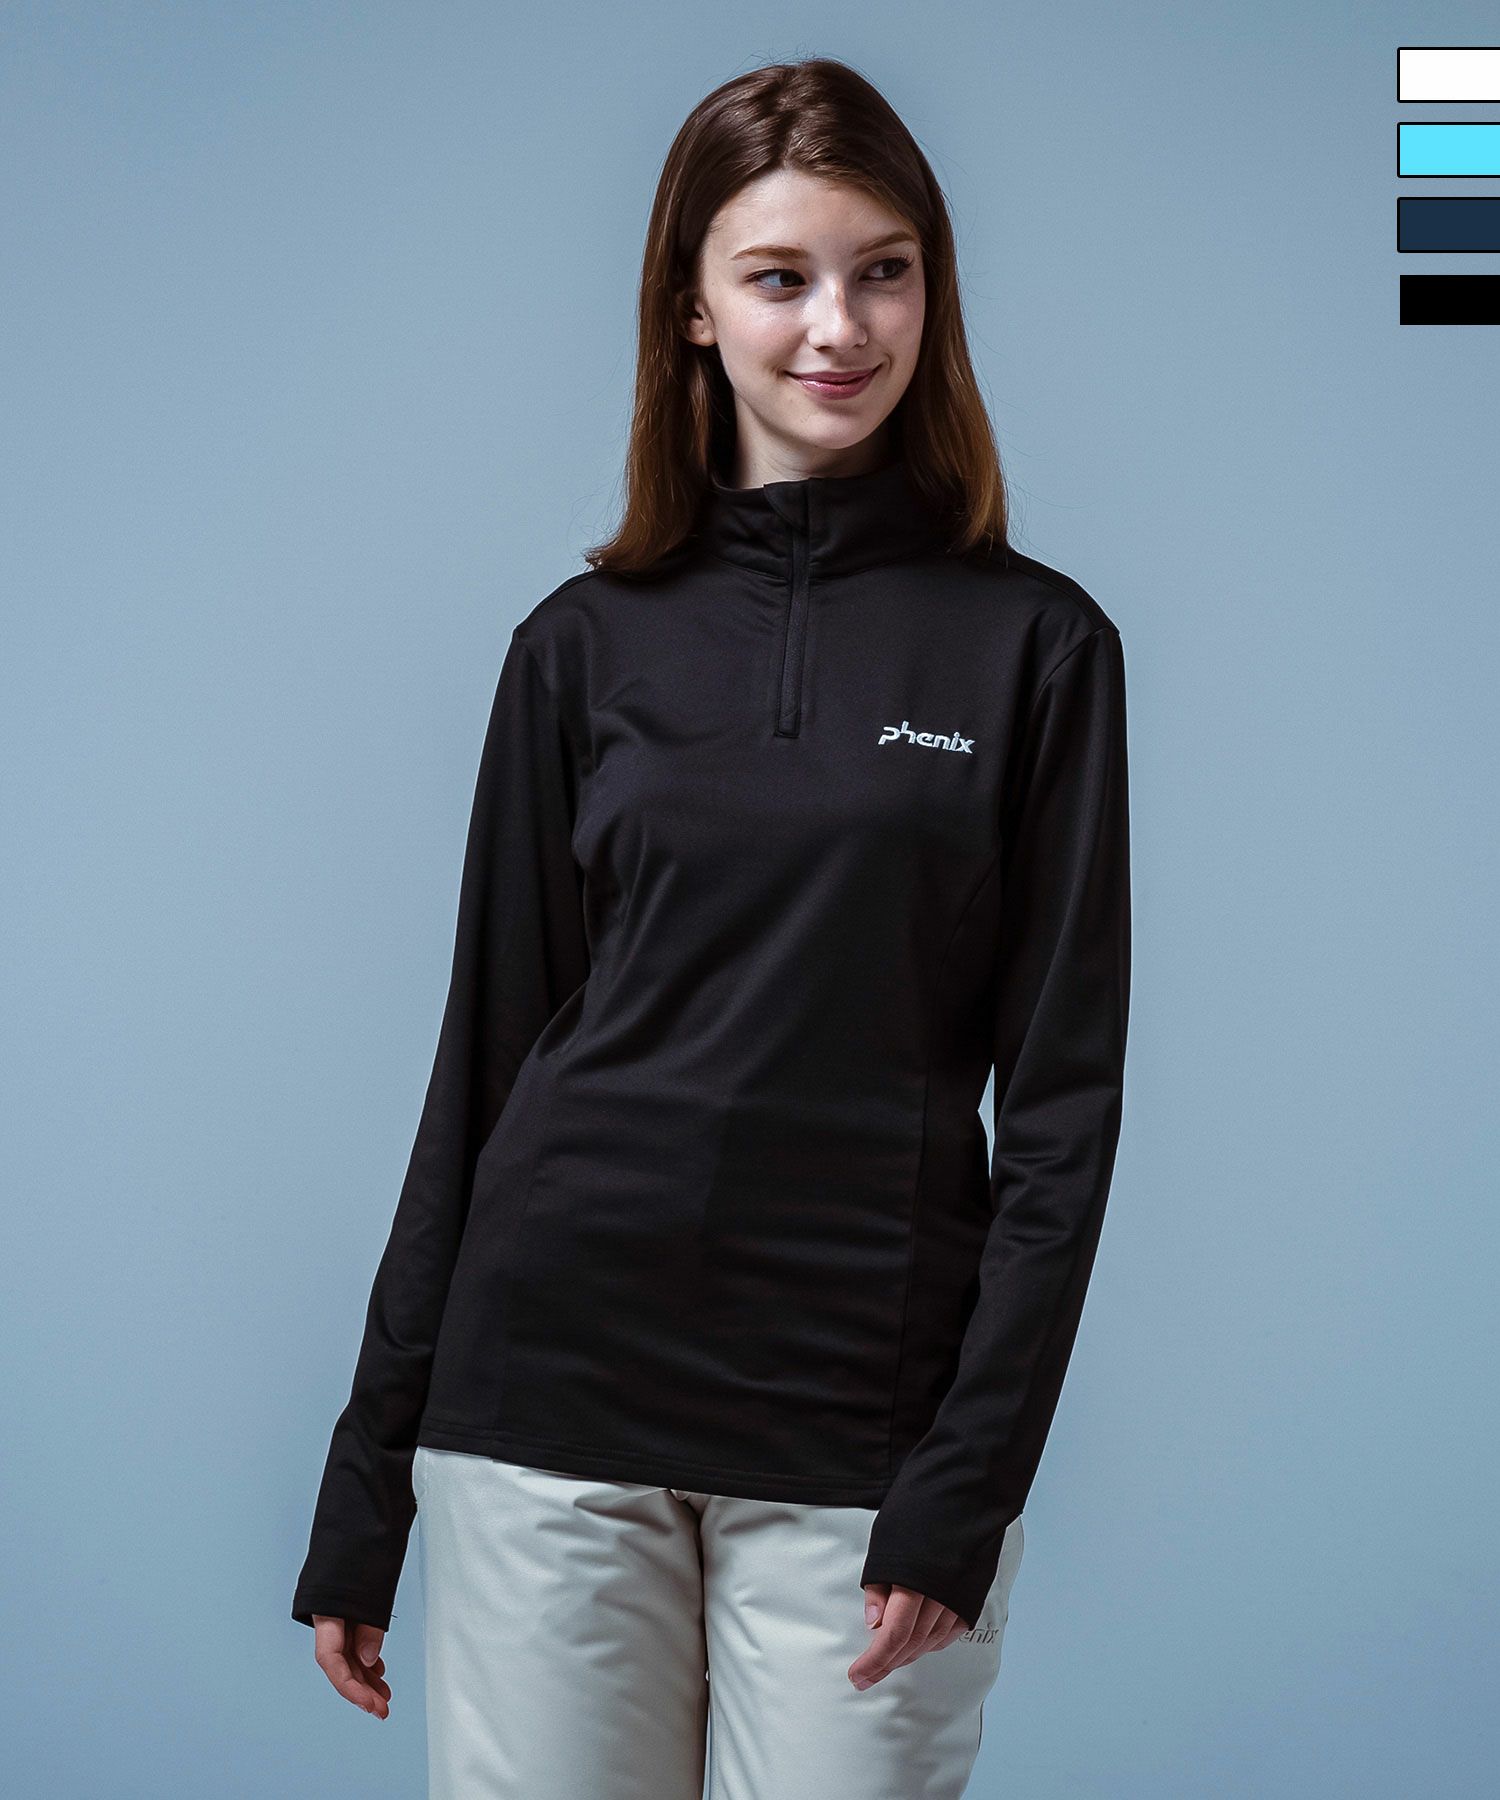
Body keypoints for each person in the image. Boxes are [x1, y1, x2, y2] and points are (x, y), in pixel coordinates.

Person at [292, 55, 1131, 1800]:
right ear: (691, 305)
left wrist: (968, 1481)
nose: (840, 325)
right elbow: (486, 1069)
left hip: (861, 1429)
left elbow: (1062, 1115)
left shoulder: (1037, 649)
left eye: (884, 271)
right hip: (546, 1405)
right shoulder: (580, 647)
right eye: (779, 277)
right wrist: (367, 1479)